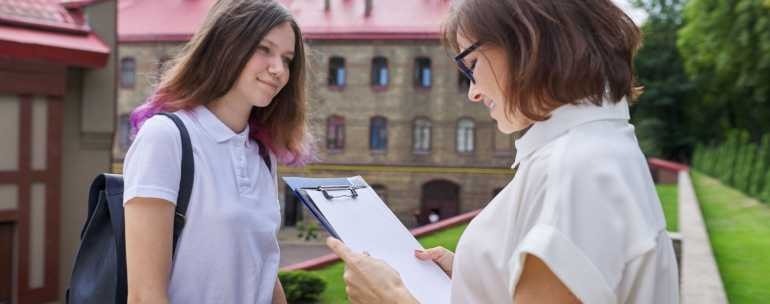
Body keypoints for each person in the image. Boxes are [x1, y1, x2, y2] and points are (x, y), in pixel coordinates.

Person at [326, 0, 679, 303]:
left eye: (470, 65)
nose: (473, 92)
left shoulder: (572, 172)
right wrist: (476, 275)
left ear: (528, 43)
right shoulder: (599, 146)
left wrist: (392, 299)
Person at [122, 0, 312, 303]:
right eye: (264, 49)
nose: (279, 70)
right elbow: (145, 295)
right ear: (225, 46)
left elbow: (262, 269)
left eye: (287, 59)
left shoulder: (262, 153)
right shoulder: (166, 138)